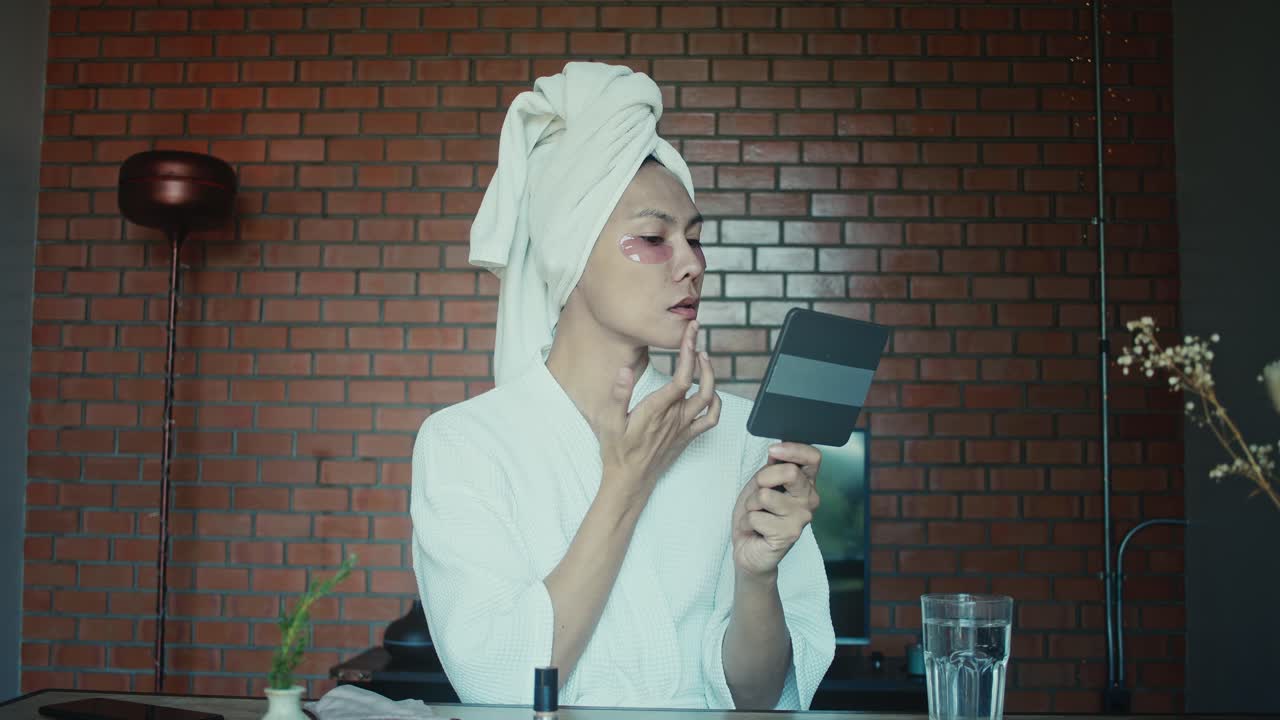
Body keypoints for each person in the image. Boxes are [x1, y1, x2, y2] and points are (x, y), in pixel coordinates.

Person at [410, 62, 835, 711]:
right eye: (653, 238)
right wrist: (627, 482)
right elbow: (500, 688)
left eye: (694, 239)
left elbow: (758, 699)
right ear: (569, 251)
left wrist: (756, 575)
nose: (693, 264)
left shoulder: (745, 439)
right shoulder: (466, 445)